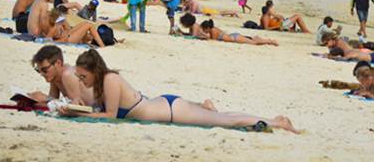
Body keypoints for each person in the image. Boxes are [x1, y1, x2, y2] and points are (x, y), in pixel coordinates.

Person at [58, 49, 299, 133]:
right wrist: (73, 108)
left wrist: (77, 115)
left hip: (172, 110)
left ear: (94, 71)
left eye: (83, 76)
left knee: (226, 121)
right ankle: (272, 120)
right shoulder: (102, 82)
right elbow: (101, 111)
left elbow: (110, 116)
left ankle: (278, 123)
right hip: (162, 105)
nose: (80, 80)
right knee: (222, 117)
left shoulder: (110, 79)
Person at [28, 45, 95, 107]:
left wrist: (46, 98)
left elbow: (78, 106)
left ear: (58, 63)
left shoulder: (68, 75)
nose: (41, 74)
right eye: (38, 70)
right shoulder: (54, 77)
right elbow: (53, 101)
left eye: (44, 69)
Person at [179, 13, 278, 46]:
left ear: (208, 28)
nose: (204, 31)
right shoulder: (211, 29)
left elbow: (210, 39)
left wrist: (201, 36)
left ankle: (270, 41)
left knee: (254, 43)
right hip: (233, 37)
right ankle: (266, 40)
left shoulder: (212, 31)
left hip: (234, 38)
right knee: (252, 41)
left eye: (205, 30)